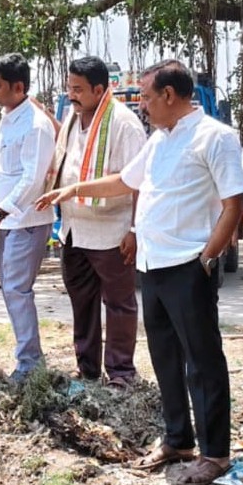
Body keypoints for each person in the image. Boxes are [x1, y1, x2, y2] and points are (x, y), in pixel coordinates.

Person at [36, 60, 243, 485]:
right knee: (165, 358)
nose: (143, 106)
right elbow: (124, 181)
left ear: (169, 95)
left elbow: (234, 205)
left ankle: (215, 454)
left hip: (189, 265)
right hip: (153, 265)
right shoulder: (158, 140)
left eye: (148, 98)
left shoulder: (215, 137)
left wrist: (208, 259)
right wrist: (75, 188)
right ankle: (178, 440)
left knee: (202, 362)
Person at [44, 56, 145, 388]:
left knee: (119, 304)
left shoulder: (124, 123)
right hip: (74, 230)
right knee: (82, 302)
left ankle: (121, 373)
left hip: (111, 231)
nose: (71, 95)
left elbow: (137, 181)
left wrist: (134, 229)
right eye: (69, 88)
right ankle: (87, 370)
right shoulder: (72, 120)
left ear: (99, 90)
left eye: (78, 89)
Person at [0, 53, 55, 383]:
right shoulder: (9, 117)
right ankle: (29, 360)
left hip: (26, 221)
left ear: (18, 87)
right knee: (11, 289)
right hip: (9, 221)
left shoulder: (35, 125)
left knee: (17, 290)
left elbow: (31, 180)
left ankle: (31, 365)